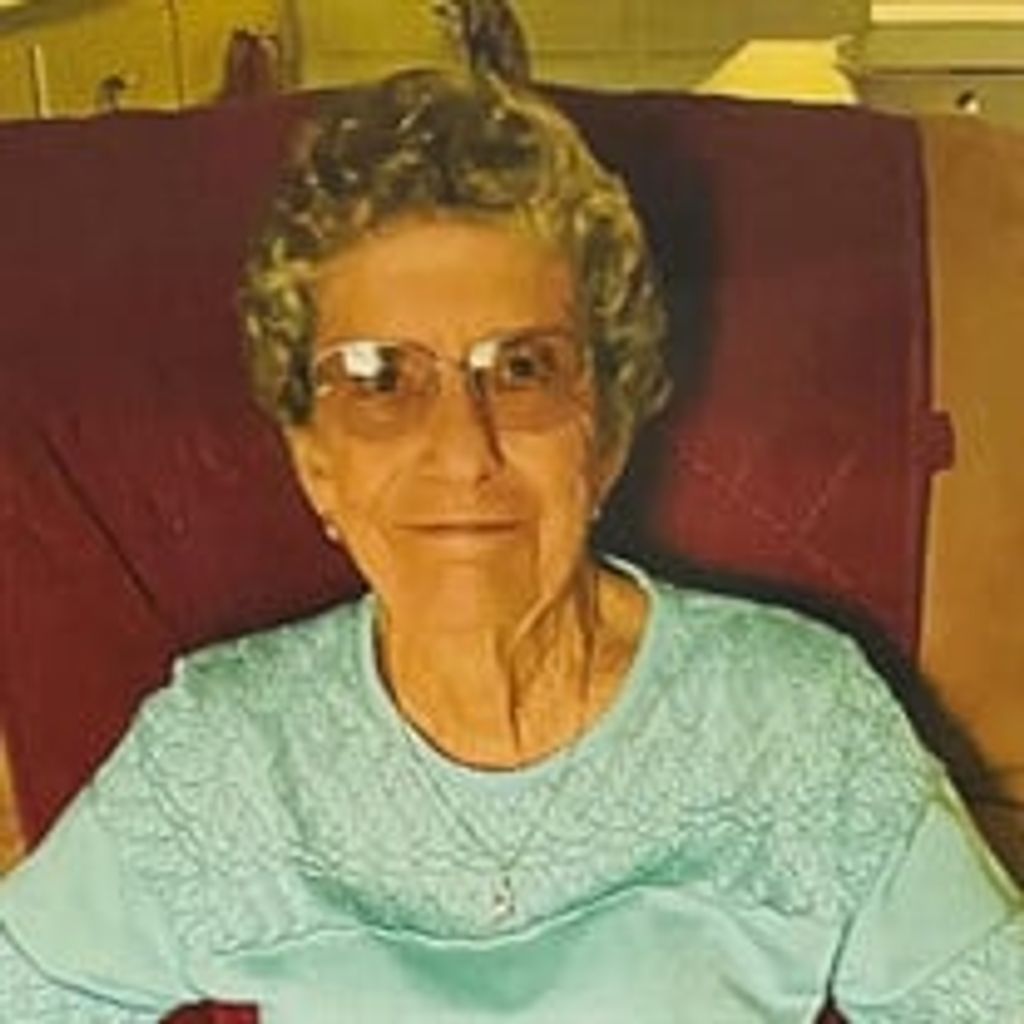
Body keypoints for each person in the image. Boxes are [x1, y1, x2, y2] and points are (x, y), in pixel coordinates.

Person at [1, 67, 1022, 1023]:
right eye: (380, 378)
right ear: (314, 460)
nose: (462, 451)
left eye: (522, 369)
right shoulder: (224, 757)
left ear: (606, 429)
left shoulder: (791, 723)